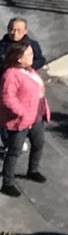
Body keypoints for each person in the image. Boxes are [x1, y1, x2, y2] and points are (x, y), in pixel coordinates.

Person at [1, 39, 50, 196]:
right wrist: (22, 113)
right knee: (14, 151)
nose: (32, 57)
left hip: (36, 117)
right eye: (29, 54)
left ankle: (33, 170)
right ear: (19, 58)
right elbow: (8, 98)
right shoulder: (11, 75)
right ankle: (7, 183)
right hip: (20, 120)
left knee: (39, 144)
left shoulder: (30, 70)